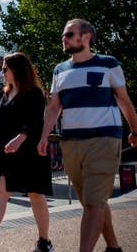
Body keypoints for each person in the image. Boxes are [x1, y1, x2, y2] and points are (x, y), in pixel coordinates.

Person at [37, 19, 137, 252]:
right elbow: (54, 108)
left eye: (69, 34)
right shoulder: (59, 70)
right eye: (64, 35)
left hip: (104, 139)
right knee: (93, 201)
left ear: (86, 37)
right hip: (71, 143)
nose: (64, 38)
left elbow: (124, 100)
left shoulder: (108, 64)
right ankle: (113, 247)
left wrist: (135, 130)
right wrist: (44, 136)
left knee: (93, 203)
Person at [0, 52, 54, 252]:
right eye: (1, 68)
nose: (2, 72)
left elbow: (35, 122)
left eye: (5, 68)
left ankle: (44, 241)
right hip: (6, 154)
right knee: (0, 192)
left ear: (18, 70)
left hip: (30, 153)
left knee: (36, 195)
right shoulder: (4, 95)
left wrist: (22, 137)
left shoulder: (35, 94)